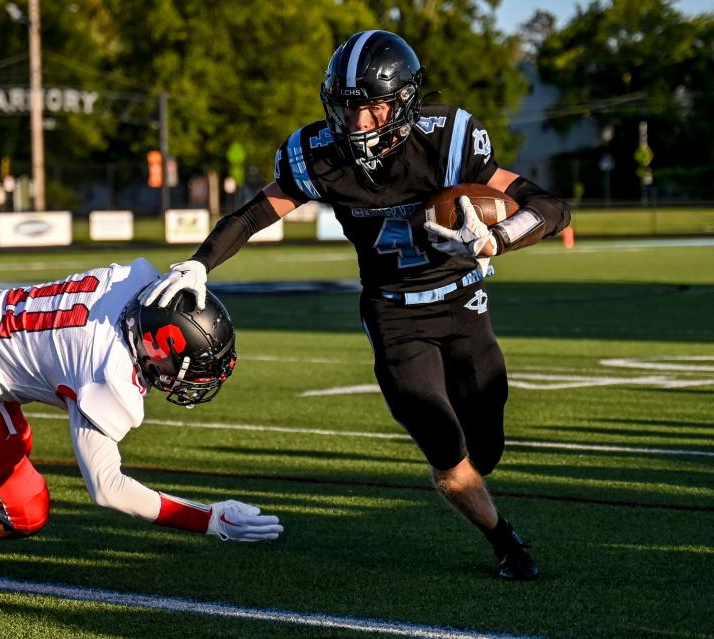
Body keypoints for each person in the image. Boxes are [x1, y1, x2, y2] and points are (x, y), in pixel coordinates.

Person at [142, 31, 571, 581]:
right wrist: (201, 261)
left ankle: (475, 480)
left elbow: (551, 206)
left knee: (484, 446)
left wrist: (496, 239)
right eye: (348, 107)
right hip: (394, 316)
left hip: (463, 302)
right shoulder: (318, 154)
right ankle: (505, 541)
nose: (358, 121)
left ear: (404, 102)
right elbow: (251, 216)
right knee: (444, 447)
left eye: (372, 106)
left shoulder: (448, 139)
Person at [0, 258, 282, 578]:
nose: (194, 380)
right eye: (192, 369)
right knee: (24, 509)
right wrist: (209, 520)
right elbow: (107, 489)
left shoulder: (138, 283)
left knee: (11, 450)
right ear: (158, 345)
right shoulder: (107, 371)